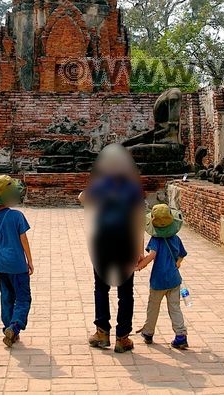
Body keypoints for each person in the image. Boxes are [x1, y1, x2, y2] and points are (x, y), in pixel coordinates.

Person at [79, 144, 145, 353]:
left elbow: (82, 198)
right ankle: (122, 337)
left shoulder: (101, 184)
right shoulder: (133, 187)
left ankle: (102, 331)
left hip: (103, 241)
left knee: (101, 287)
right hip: (125, 241)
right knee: (125, 292)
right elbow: (138, 219)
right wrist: (139, 249)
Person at [0, 175, 33, 348]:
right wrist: (30, 261)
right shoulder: (16, 216)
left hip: (1, 263)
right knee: (23, 298)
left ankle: (8, 327)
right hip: (17, 264)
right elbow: (24, 240)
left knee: (6, 297)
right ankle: (14, 326)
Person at [135, 203, 189, 349]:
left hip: (158, 281)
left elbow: (151, 256)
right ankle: (181, 335)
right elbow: (181, 256)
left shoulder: (156, 240)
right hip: (174, 280)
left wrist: (139, 266)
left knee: (153, 306)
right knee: (175, 308)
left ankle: (148, 332)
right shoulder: (176, 239)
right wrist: (177, 263)